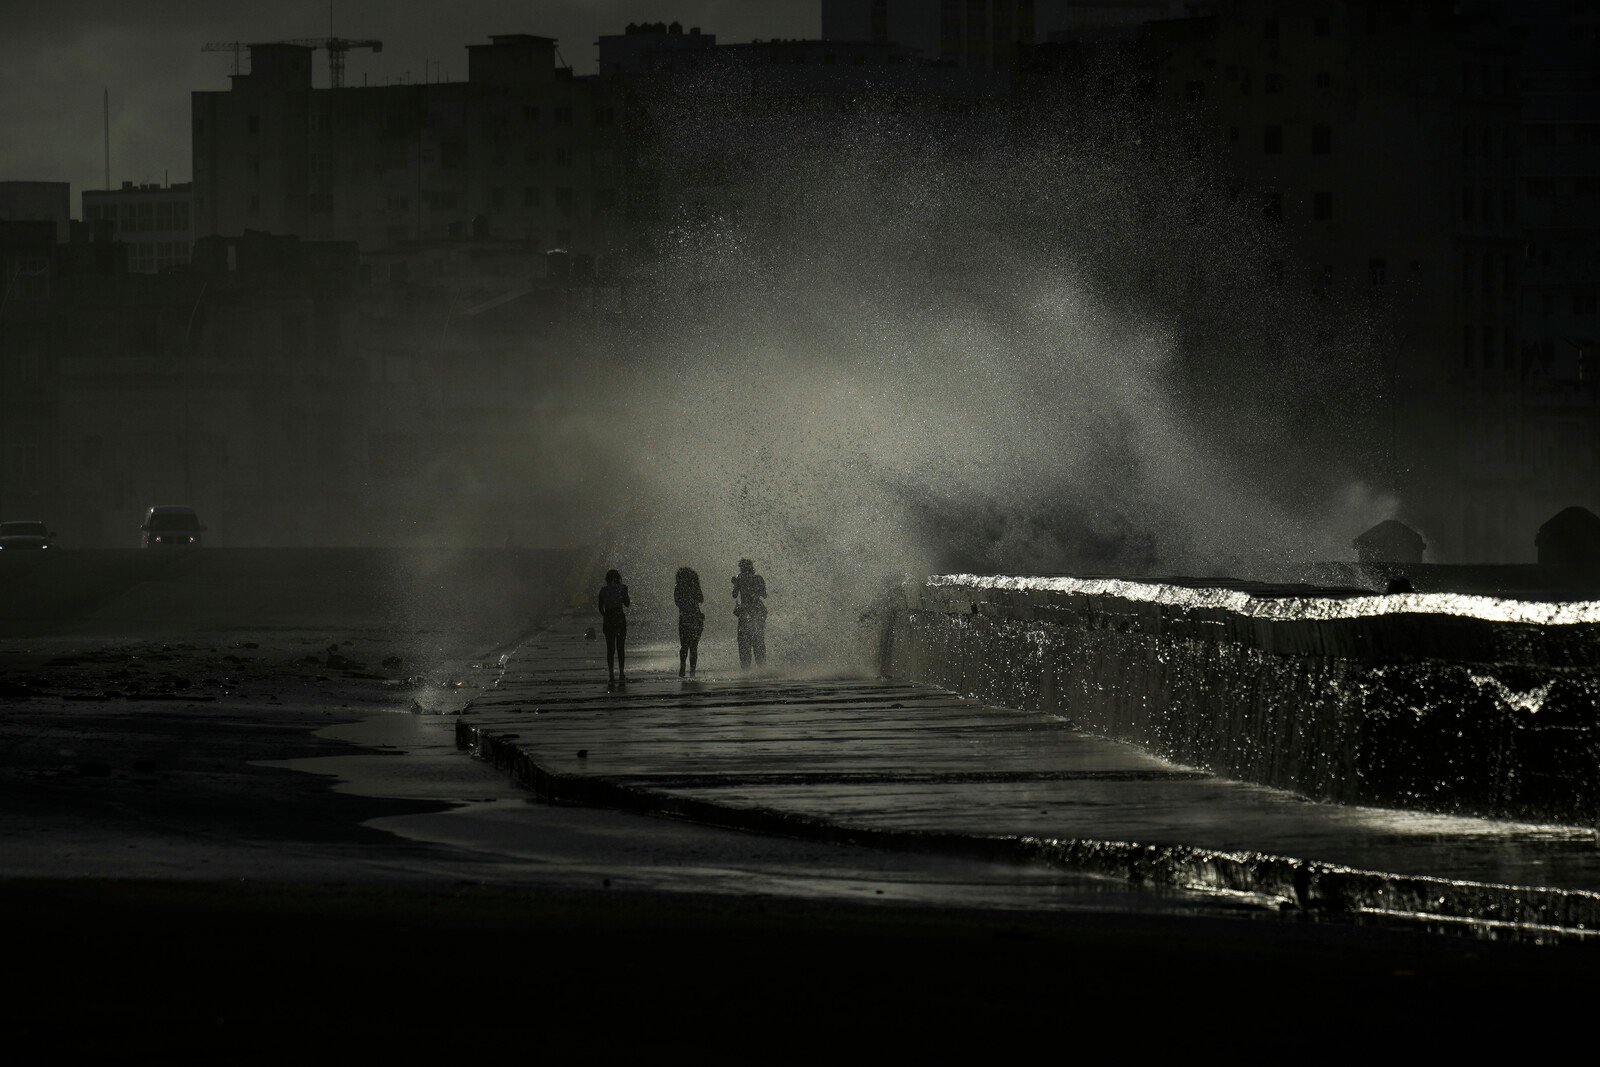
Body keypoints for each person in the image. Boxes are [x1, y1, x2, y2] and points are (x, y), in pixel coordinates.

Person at [597, 568, 631, 689]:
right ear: (618, 578)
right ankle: (621, 673)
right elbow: (627, 603)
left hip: (609, 620)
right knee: (620, 648)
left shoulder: (603, 591)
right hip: (619, 619)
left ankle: (611, 674)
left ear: (607, 579)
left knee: (610, 649)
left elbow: (600, 608)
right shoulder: (622, 588)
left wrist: (607, 616)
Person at [731, 558, 768, 669]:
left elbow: (734, 595)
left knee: (743, 641)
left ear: (741, 568)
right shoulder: (759, 578)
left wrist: (735, 583)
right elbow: (764, 595)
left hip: (745, 611)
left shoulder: (739, 578)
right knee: (759, 640)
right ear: (751, 567)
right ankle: (762, 667)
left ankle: (746, 669)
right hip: (758, 610)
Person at [674, 566, 705, 678]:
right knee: (694, 647)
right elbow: (701, 599)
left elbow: (677, 602)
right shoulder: (694, 586)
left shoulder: (678, 587)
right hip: (696, 617)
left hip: (685, 618)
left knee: (684, 645)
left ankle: (682, 668)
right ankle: (692, 671)